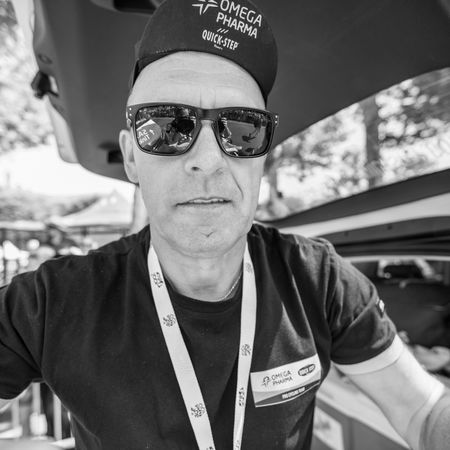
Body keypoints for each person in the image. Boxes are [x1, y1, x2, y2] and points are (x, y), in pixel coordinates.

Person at [1, 0, 449, 449]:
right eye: (167, 125)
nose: (208, 160)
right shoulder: (50, 302)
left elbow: (424, 410)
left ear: (262, 156)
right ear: (132, 157)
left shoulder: (320, 281)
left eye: (241, 129)